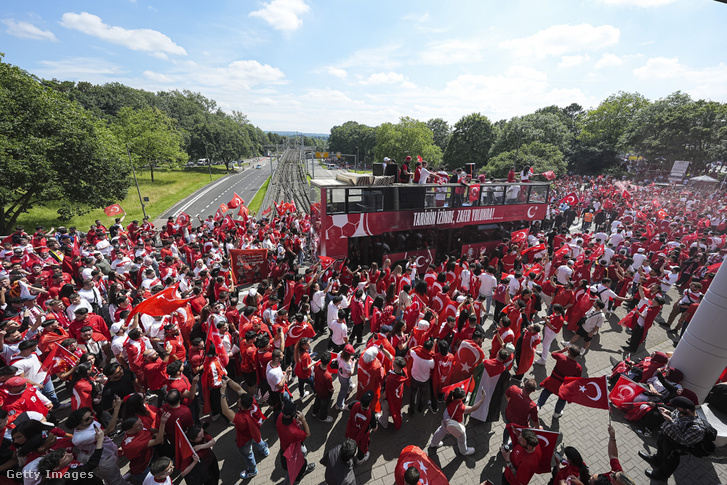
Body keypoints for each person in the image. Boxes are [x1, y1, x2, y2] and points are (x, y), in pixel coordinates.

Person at [638, 396, 707, 480]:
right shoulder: (681, 412)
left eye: (678, 408)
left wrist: (670, 421)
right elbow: (675, 416)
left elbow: (684, 440)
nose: (676, 409)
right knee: (661, 450)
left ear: (687, 410)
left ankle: (662, 475)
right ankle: (656, 460)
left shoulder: (697, 428)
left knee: (670, 460)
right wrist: (668, 413)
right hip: (665, 436)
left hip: (675, 446)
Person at [219, 379, 269, 479]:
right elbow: (239, 389)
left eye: (239, 401)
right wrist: (229, 380)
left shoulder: (242, 419)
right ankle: (265, 450)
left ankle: (252, 470)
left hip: (245, 439)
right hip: (255, 430)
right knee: (258, 440)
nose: (238, 400)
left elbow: (226, 411)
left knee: (248, 455)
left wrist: (222, 393)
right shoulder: (252, 401)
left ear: (242, 406)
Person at [428, 385, 487, 456]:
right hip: (454, 422)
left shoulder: (448, 395)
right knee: (462, 437)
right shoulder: (460, 407)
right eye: (463, 396)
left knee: (442, 429)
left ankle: (434, 443)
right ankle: (464, 451)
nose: (464, 397)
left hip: (447, 416)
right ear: (460, 398)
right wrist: (482, 400)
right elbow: (473, 408)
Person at [537, 345, 582, 419]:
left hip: (553, 381)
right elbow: (576, 379)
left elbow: (553, 353)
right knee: (562, 399)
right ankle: (557, 413)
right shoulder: (578, 367)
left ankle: (538, 406)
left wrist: (562, 350)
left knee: (546, 391)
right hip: (563, 386)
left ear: (569, 352)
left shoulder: (561, 357)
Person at [276, 400, 315, 480]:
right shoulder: (294, 433)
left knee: (288, 465)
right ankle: (300, 475)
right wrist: (303, 420)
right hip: (293, 450)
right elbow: (307, 434)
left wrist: (296, 422)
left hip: (284, 446)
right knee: (301, 464)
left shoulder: (280, 417)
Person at [344, 390, 377, 464]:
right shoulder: (371, 414)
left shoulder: (354, 403)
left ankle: (349, 457)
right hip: (362, 434)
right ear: (369, 403)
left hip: (351, 430)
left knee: (351, 445)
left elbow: (347, 408)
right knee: (362, 447)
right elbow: (374, 428)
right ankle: (360, 459)